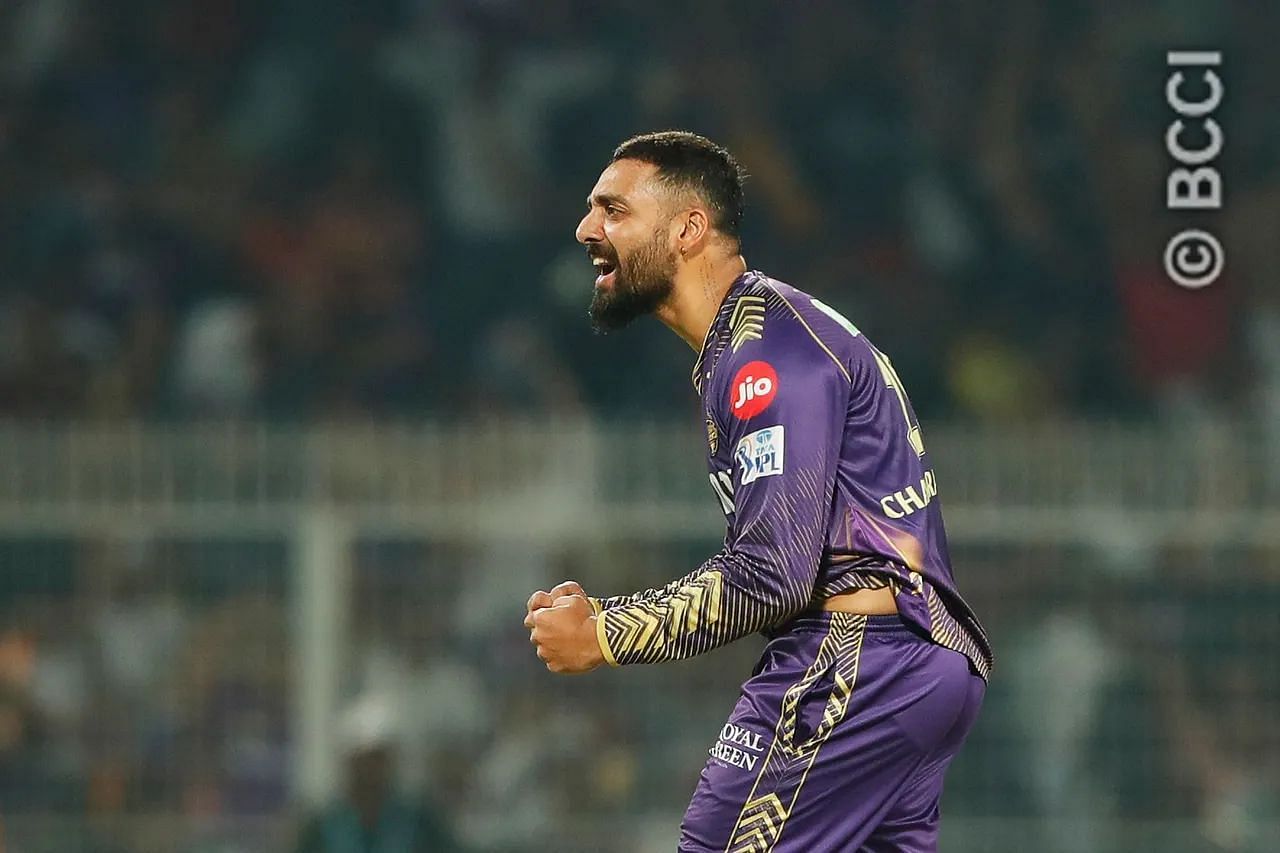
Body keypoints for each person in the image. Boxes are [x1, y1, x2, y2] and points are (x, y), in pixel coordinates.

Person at [523, 131, 992, 852]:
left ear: (687, 229)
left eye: (613, 210)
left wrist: (604, 632)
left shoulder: (767, 357)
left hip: (855, 660)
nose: (588, 230)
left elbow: (772, 574)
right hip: (911, 660)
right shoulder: (755, 340)